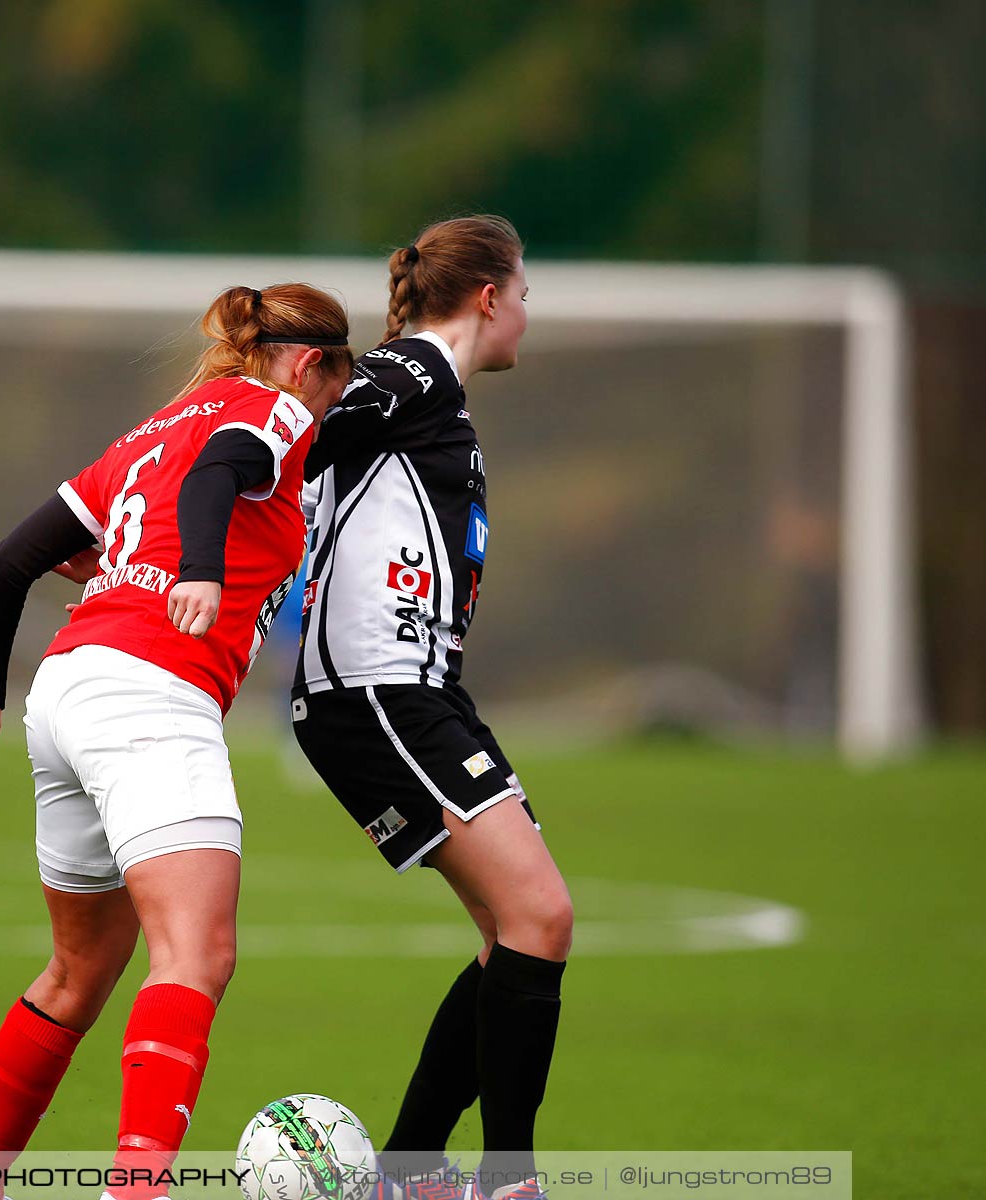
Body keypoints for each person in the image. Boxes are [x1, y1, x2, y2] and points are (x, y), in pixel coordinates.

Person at [0, 283, 353, 1200]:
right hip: (152, 692)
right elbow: (219, 476)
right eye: (331, 391)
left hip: (66, 688)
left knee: (78, 974)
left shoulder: (147, 433)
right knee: (195, 956)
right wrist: (199, 572)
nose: (320, 416)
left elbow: (12, 559)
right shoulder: (276, 408)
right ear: (311, 363)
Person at [288, 216, 571, 1200]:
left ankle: (407, 1170)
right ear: (487, 297)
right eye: (524, 293)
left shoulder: (422, 388)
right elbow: (297, 433)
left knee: (513, 934)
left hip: (415, 695)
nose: (528, 316)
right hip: (376, 693)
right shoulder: (409, 371)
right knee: (541, 913)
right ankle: (505, 1182)